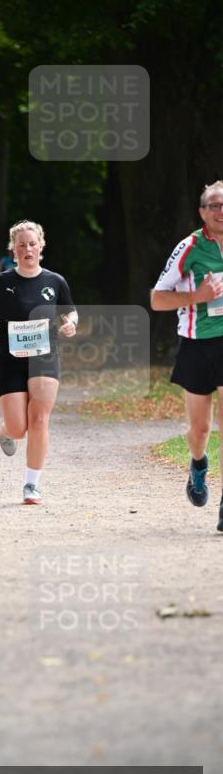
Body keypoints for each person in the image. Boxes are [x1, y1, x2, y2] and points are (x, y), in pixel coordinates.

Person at [0, 219, 77, 505]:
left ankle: (31, 485)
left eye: (32, 244)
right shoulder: (2, 282)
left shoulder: (55, 281)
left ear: (41, 246)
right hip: (10, 359)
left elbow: (70, 312)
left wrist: (70, 324)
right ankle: (7, 431)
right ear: (13, 249)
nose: (28, 249)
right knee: (19, 427)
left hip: (44, 356)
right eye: (22, 245)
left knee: (40, 418)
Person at [150, 180, 223, 533]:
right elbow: (157, 298)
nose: (220, 211)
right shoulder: (189, 247)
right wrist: (200, 296)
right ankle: (198, 463)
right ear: (202, 212)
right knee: (200, 429)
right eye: (214, 205)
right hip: (196, 344)